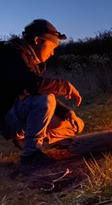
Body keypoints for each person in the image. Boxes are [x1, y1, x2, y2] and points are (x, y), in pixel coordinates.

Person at [0, 19, 84, 165]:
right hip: (9, 118)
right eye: (52, 46)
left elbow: (38, 93)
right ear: (38, 40)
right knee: (45, 98)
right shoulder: (12, 53)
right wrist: (64, 86)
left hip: (23, 116)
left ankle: (32, 141)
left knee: (76, 124)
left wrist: (66, 112)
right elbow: (35, 86)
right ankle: (30, 155)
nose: (52, 53)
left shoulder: (34, 61)